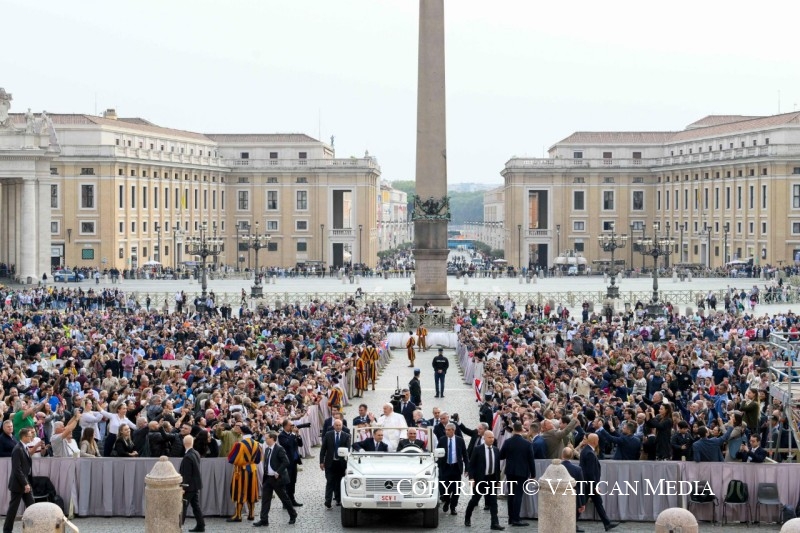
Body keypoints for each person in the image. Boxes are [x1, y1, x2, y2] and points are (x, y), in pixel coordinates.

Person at [254, 431, 297, 527]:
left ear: (273, 439)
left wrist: (278, 472)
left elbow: (286, 462)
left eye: (267, 438)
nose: (265, 439)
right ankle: (264, 519)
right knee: (265, 500)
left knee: (284, 499)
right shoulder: (267, 449)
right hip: (268, 478)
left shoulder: (279, 449)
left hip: (277, 478)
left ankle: (293, 514)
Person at [464, 430, 504, 530]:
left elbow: (497, 466)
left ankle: (494, 523)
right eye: (489, 437)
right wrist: (471, 478)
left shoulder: (496, 450)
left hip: (492, 480)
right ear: (484, 438)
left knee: (493, 502)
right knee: (474, 500)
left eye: (493, 437)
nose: (492, 439)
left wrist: (498, 480)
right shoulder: (478, 449)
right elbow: (471, 465)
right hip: (480, 480)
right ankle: (467, 517)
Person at [578, 434, 618, 531]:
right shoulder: (589, 453)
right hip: (589, 485)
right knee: (582, 504)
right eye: (598, 439)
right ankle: (571, 522)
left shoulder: (587, 451)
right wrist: (595, 486)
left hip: (588, 484)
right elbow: (590, 472)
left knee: (598, 502)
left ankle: (607, 523)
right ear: (595, 441)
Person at [499, 421, 536, 527]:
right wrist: (533, 475)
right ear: (522, 430)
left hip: (510, 471)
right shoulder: (527, 444)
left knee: (511, 494)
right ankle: (516, 518)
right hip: (522, 472)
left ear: (514, 429)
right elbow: (531, 461)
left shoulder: (508, 442)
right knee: (518, 495)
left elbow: (501, 456)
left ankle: (511, 517)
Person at [3, 427, 35, 533]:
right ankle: (7, 530)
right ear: (24, 437)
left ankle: (34, 528)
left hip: (24, 482)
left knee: (32, 505)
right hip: (18, 484)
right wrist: (25, 483)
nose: (32, 437)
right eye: (30, 436)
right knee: (13, 509)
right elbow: (17, 469)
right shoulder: (18, 449)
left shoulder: (24, 447)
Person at [227, 427, 261, 522]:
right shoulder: (257, 444)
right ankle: (251, 514)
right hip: (253, 470)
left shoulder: (239, 444)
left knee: (240, 491)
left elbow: (232, 459)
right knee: (252, 491)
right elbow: (258, 460)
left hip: (241, 470)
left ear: (242, 433)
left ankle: (238, 515)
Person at [437, 422, 468, 516]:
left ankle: (453, 507)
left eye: (448, 430)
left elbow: (465, 454)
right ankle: (447, 501)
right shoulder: (442, 440)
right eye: (445, 430)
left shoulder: (460, 440)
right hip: (445, 467)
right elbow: (438, 453)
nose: (446, 432)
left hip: (456, 467)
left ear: (453, 430)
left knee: (456, 489)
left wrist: (467, 468)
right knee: (444, 488)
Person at [319, 419, 350, 509]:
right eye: (336, 425)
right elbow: (323, 449)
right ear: (333, 426)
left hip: (341, 464)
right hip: (330, 462)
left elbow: (348, 450)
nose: (338, 427)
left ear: (342, 426)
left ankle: (338, 499)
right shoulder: (328, 435)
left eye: (340, 425)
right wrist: (321, 461)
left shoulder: (346, 436)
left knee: (339, 482)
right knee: (330, 481)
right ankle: (327, 501)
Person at [179, 435, 205, 532]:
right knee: (195, 506)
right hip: (195, 485)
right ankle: (201, 525)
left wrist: (183, 488)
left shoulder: (187, 457)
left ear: (184, 443)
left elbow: (186, 475)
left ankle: (178, 527)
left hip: (189, 486)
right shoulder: (196, 453)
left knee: (183, 506)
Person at [277, 419, 304, 507]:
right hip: (287, 462)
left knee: (293, 481)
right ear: (285, 426)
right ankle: (286, 502)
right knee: (287, 483)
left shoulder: (292, 435)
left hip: (294, 461)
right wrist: (293, 434)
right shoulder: (282, 436)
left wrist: (298, 435)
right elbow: (287, 444)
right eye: (290, 425)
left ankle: (292, 500)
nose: (292, 426)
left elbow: (300, 444)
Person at [561, 447, 586, 533]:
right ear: (571, 456)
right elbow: (581, 486)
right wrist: (582, 503)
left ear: (562, 455)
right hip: (573, 496)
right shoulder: (577, 469)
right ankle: (572, 525)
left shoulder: (556, 468)